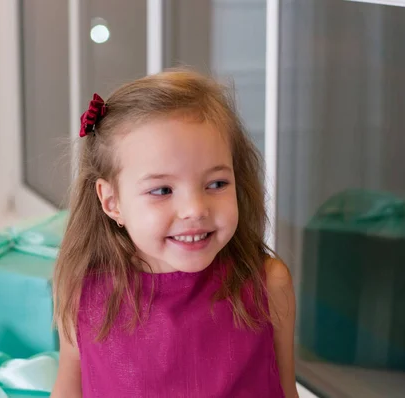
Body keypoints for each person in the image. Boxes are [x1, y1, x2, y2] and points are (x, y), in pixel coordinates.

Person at [51, 69, 298, 397]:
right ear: (112, 202)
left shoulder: (268, 283)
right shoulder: (84, 291)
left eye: (216, 184)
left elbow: (285, 389)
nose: (195, 209)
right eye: (162, 189)